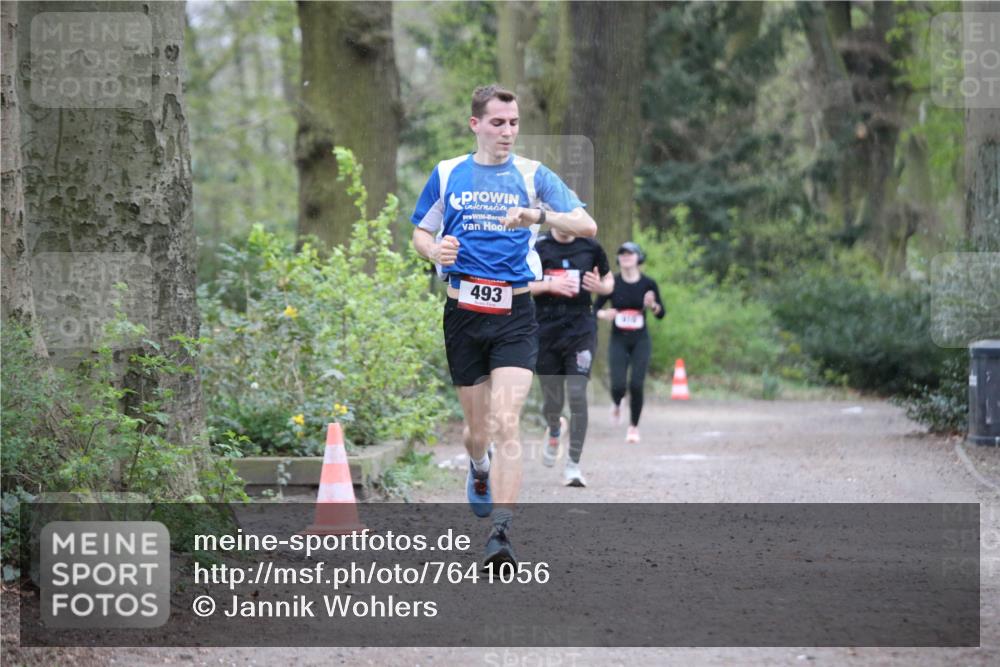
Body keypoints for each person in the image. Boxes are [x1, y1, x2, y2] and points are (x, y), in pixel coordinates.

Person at [411, 84, 597, 567]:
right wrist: (434, 251)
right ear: (475, 124)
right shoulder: (447, 173)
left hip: (515, 314)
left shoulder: (534, 175)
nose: (508, 131)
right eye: (498, 123)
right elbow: (420, 232)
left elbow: (586, 225)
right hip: (463, 314)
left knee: (505, 421)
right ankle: (478, 467)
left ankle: (501, 533)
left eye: (514, 123)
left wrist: (536, 214)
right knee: (477, 432)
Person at [529, 230, 613, 487]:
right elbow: (522, 284)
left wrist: (600, 288)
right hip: (546, 331)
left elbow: (609, 281)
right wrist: (549, 285)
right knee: (552, 401)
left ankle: (573, 466)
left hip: (580, 331)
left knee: (577, 394)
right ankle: (555, 428)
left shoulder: (591, 246)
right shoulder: (538, 246)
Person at [594, 242, 664, 444]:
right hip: (618, 340)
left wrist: (653, 305)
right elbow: (594, 308)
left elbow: (661, 313)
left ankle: (633, 427)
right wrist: (603, 314)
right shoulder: (612, 283)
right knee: (618, 385)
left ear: (638, 257)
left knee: (636, 384)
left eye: (630, 253)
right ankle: (617, 403)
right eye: (622, 254)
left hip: (641, 340)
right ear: (618, 259)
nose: (625, 257)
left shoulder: (648, 284)